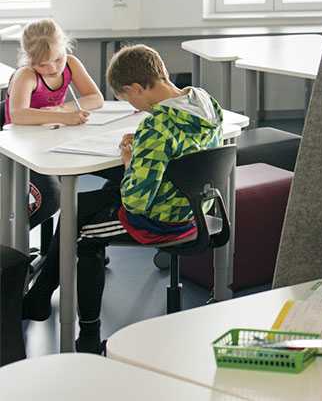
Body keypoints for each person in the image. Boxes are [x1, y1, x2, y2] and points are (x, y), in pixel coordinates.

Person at [21, 44, 223, 354]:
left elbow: (135, 202)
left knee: (81, 233)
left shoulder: (157, 128)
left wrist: (131, 164)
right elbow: (179, 156)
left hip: (163, 221)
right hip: (197, 210)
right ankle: (40, 295)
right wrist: (141, 153)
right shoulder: (206, 104)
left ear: (137, 87)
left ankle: (86, 336)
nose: (134, 106)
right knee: (87, 203)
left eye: (129, 98)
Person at [4, 19, 104, 231]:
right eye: (42, 64)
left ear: (65, 47)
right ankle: (11, 239)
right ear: (29, 59)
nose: (52, 68)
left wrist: (62, 109)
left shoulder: (72, 64)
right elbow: (18, 115)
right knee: (50, 197)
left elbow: (96, 98)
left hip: (48, 143)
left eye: (58, 59)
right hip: (18, 150)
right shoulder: (26, 75)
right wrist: (65, 117)